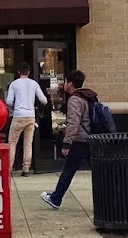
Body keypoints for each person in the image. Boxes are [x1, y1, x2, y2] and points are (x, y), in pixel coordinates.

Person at [41, 70, 96, 209]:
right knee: (97, 171)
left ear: (70, 84)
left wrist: (67, 143)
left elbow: (73, 123)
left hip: (79, 140)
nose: (63, 84)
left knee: (68, 170)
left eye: (65, 82)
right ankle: (107, 198)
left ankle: (56, 198)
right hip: (91, 138)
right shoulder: (88, 96)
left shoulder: (75, 99)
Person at [5, 62, 48, 176]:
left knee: (12, 143)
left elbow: (9, 101)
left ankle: (9, 169)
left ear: (18, 72)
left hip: (18, 116)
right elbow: (44, 100)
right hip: (30, 116)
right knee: (28, 144)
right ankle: (26, 169)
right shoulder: (34, 84)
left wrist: (15, 106)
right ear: (28, 72)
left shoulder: (14, 84)